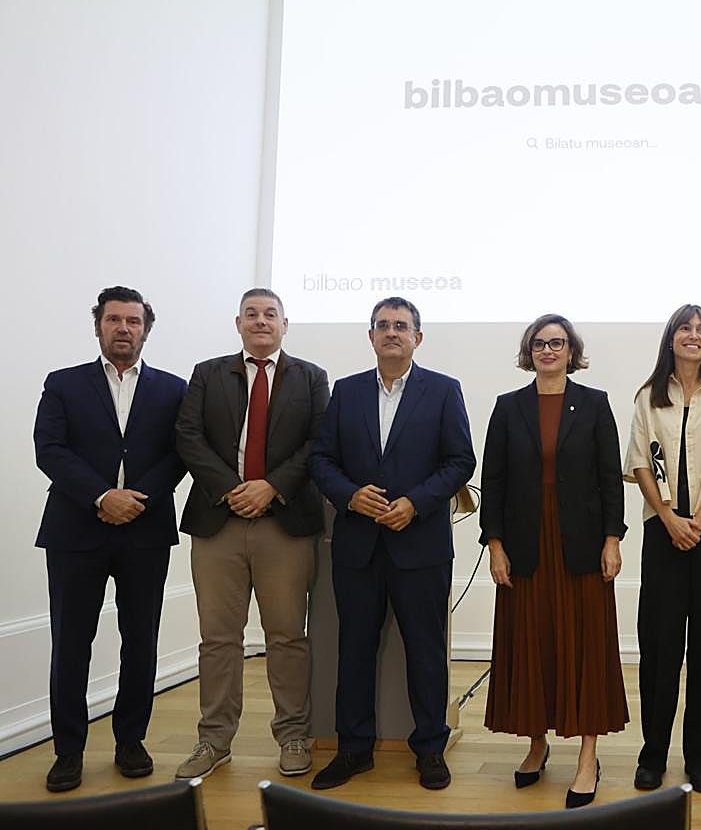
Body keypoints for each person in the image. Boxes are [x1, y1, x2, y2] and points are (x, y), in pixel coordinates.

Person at [308, 296, 475, 791]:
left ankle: (430, 748)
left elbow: (459, 460)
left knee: (425, 650)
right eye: (382, 325)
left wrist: (416, 503)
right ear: (371, 337)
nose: (391, 332)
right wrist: (349, 496)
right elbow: (321, 460)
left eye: (401, 326)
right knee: (353, 650)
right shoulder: (347, 391)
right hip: (357, 546)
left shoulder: (444, 391)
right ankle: (353, 750)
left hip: (418, 544)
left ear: (417, 337)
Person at [34, 286, 187, 792]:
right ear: (98, 325)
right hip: (76, 530)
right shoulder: (63, 384)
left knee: (140, 640)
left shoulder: (173, 389)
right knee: (72, 643)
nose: (124, 328)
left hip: (145, 529)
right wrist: (102, 496)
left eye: (134, 321)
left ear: (147, 328)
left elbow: (181, 453)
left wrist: (136, 497)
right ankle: (68, 751)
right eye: (114, 320)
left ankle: (130, 741)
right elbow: (50, 450)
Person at [173, 288, 330, 780]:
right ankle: (214, 739)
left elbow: (318, 443)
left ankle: (293, 735)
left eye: (270, 315)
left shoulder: (311, 377)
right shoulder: (207, 373)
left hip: (284, 523)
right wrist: (232, 489)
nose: (260, 321)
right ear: (237, 323)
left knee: (287, 637)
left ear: (286, 324)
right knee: (218, 639)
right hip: (218, 521)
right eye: (251, 315)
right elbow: (188, 436)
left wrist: (271, 487)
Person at [479, 314, 628, 809]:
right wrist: (495, 545)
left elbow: (610, 478)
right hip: (525, 543)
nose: (548, 350)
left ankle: (588, 756)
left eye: (557, 343)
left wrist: (613, 539)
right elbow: (494, 481)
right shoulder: (507, 408)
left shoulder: (595, 404)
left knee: (585, 645)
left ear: (571, 351)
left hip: (580, 543)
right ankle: (536, 742)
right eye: (539, 343)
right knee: (531, 642)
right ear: (529, 351)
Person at [623, 303, 701, 794]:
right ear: (671, 338)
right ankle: (652, 754)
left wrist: (697, 520)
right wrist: (670, 519)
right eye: (685, 328)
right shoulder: (648, 396)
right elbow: (639, 463)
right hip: (663, 530)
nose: (693, 336)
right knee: (659, 646)